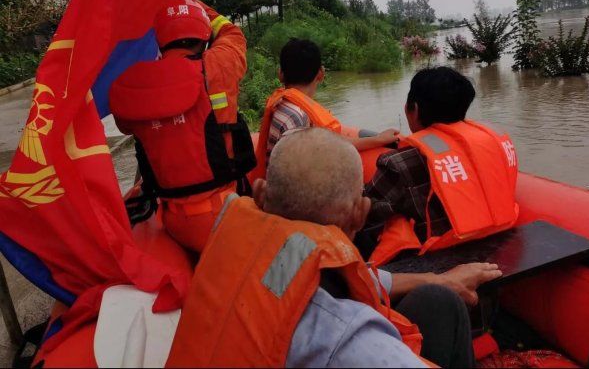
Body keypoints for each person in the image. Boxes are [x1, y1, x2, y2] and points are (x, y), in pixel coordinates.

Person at [167, 128, 502, 368]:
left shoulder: (234, 254)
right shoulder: (346, 337)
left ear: (258, 194)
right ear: (359, 213)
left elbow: (329, 279)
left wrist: (438, 278)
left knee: (437, 300)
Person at [109, 0, 255, 253]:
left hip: (173, 220)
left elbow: (126, 125)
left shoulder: (130, 86)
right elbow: (232, 33)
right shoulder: (218, 66)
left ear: (160, 41)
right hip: (227, 213)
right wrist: (192, 0)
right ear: (203, 36)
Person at [358, 66, 519, 265]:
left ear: (414, 109)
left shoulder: (397, 163)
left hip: (436, 260)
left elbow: (363, 212)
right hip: (497, 242)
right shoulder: (492, 146)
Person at [252, 38, 399, 180]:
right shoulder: (299, 117)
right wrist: (378, 140)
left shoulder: (280, 104)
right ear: (321, 74)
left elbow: (334, 142)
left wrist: (378, 139)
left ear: (280, 75)